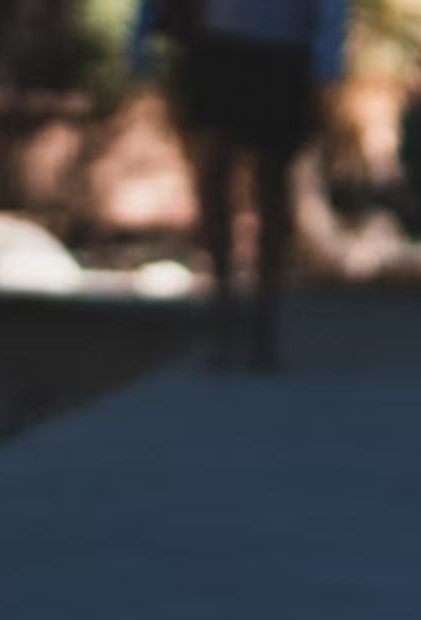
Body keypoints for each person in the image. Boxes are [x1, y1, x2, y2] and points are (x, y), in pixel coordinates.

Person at [131, 0, 350, 371]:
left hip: (281, 52)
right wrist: (141, 34)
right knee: (212, 177)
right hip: (215, 48)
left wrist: (327, 60)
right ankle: (221, 310)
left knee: (272, 186)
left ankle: (265, 320)